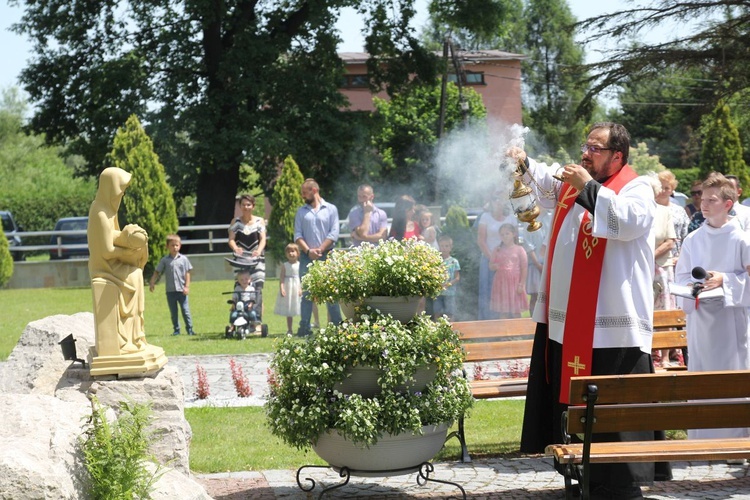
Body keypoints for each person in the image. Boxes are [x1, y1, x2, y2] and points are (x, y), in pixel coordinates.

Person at [509, 122, 669, 499]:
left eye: (595, 148)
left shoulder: (636, 186)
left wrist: (587, 186)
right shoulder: (578, 185)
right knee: (574, 406)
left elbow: (627, 223)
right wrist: (523, 161)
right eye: (586, 145)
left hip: (614, 326)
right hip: (570, 323)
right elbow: (548, 185)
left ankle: (621, 484)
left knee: (614, 414)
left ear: (618, 155)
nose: (586, 153)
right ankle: (584, 475)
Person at [675, 172, 750, 442]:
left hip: (731, 321)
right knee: (702, 377)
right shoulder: (693, 239)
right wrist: (693, 287)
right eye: (702, 199)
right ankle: (701, 441)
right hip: (701, 320)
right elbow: (682, 277)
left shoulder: (742, 239)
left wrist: (725, 279)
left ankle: (736, 442)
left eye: (711, 200)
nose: (703, 205)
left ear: (728, 204)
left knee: (731, 378)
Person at [88, 167, 151, 356]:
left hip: (111, 262)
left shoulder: (107, 210)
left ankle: (135, 334)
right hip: (105, 266)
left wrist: (129, 237)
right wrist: (128, 254)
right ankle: (126, 340)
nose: (121, 195)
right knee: (135, 276)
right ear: (110, 189)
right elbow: (106, 250)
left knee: (137, 273)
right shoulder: (100, 213)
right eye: (120, 191)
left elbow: (111, 234)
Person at [294, 178, 342, 336]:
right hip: (307, 257)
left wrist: (320, 249)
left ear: (314, 191)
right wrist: (308, 251)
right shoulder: (301, 212)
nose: (302, 196)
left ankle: (337, 326)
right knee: (307, 294)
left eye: (304, 193)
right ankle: (304, 327)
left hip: (327, 255)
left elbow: (334, 233)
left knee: (331, 293)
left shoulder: (331, 209)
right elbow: (297, 235)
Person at [228, 194, 266, 319]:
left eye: (248, 205)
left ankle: (257, 321)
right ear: (240, 206)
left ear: (253, 206)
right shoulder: (236, 221)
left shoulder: (259, 221)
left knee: (257, 290)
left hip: (256, 260)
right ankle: (239, 318)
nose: (246, 207)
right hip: (241, 261)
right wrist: (236, 248)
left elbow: (263, 239)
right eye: (243, 205)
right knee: (240, 288)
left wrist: (259, 251)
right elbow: (231, 240)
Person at [149, 234, 196, 336]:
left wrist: (187, 286)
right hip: (170, 291)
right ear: (167, 246)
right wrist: (152, 282)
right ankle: (176, 330)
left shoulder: (183, 259)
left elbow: (187, 273)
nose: (175, 247)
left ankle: (190, 329)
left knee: (185, 311)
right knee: (174, 313)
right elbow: (157, 271)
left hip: (182, 290)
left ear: (180, 246)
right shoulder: (165, 260)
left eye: (177, 245)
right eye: (172, 245)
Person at [476, 189, 511, 320]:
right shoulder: (485, 217)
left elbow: (515, 241)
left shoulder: (511, 218)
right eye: (495, 199)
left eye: (500, 199)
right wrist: (493, 259)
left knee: (506, 292)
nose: (498, 202)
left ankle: (507, 326)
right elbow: (480, 240)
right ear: (491, 202)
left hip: (508, 263)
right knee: (487, 292)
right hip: (488, 259)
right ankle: (486, 324)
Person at [489, 223, 528, 319]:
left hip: (515, 283)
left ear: (513, 234)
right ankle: (504, 332)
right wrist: (494, 266)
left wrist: (521, 284)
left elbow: (524, 267)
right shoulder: (497, 250)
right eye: (502, 234)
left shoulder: (520, 249)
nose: (505, 236)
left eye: (507, 233)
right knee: (503, 311)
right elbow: (490, 265)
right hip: (501, 283)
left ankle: (518, 332)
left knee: (516, 310)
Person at [523, 209, 550, 316]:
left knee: (549, 296)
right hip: (535, 264)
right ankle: (532, 325)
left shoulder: (551, 216)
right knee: (535, 295)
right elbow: (527, 243)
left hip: (549, 264)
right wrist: (538, 264)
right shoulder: (528, 219)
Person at [274, 243, 302, 335]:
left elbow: (302, 278)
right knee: (289, 309)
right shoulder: (285, 265)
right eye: (289, 252)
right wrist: (282, 288)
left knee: (300, 307)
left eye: (293, 251)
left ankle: (303, 327)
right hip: (288, 286)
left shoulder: (300, 265)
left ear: (297, 253)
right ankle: (289, 329)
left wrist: (301, 288)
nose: (291, 253)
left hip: (297, 286)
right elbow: (282, 277)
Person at [433, 234, 460, 320]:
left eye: (446, 246)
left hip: (450, 293)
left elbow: (457, 277)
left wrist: (448, 284)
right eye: (442, 246)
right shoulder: (436, 261)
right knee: (437, 312)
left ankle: (451, 329)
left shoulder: (454, 261)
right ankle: (437, 331)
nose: (444, 248)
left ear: (451, 247)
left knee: (450, 313)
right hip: (438, 292)